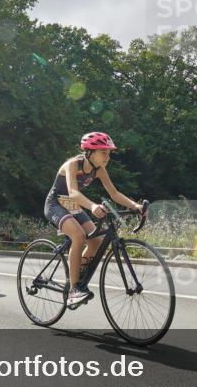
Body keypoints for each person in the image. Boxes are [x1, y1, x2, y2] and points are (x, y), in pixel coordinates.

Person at [44, 132, 143, 308]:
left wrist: (135, 206)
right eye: (103, 152)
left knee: (96, 241)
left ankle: (75, 276)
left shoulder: (99, 170)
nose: (107, 157)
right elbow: (73, 192)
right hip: (55, 204)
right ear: (89, 152)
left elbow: (114, 193)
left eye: (109, 153)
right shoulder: (72, 165)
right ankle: (74, 290)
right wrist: (92, 206)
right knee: (79, 236)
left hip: (73, 206)